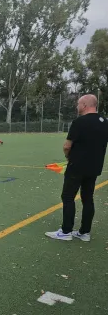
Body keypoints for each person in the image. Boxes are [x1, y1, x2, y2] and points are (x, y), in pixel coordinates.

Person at [45, 94, 108, 242]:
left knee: (68, 197)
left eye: (78, 103)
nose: (77, 106)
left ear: (85, 105)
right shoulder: (105, 122)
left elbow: (67, 146)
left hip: (76, 166)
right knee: (88, 198)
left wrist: (68, 157)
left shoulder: (79, 122)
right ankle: (84, 232)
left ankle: (66, 231)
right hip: (94, 167)